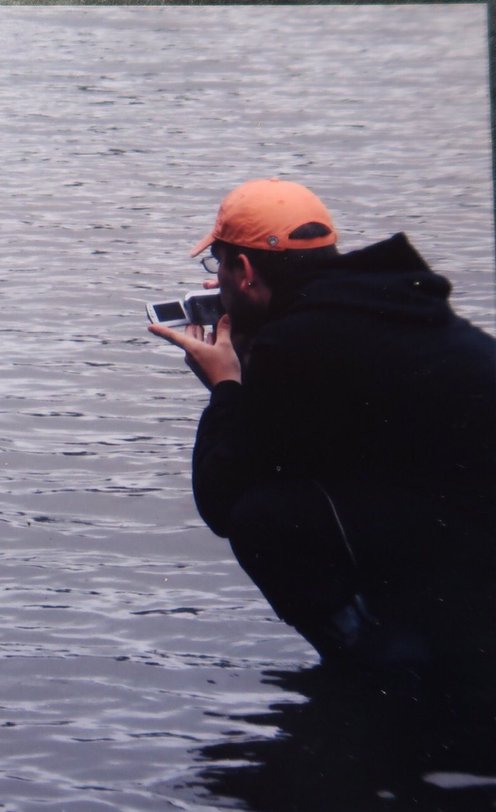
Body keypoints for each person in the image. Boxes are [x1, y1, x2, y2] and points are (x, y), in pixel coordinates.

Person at [148, 178, 496, 676]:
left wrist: (226, 386)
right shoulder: (391, 300)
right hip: (470, 528)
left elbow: (220, 499)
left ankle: (384, 671)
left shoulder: (297, 344)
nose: (217, 279)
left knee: (262, 517)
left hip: (467, 566)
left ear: (245, 270)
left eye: (218, 263)